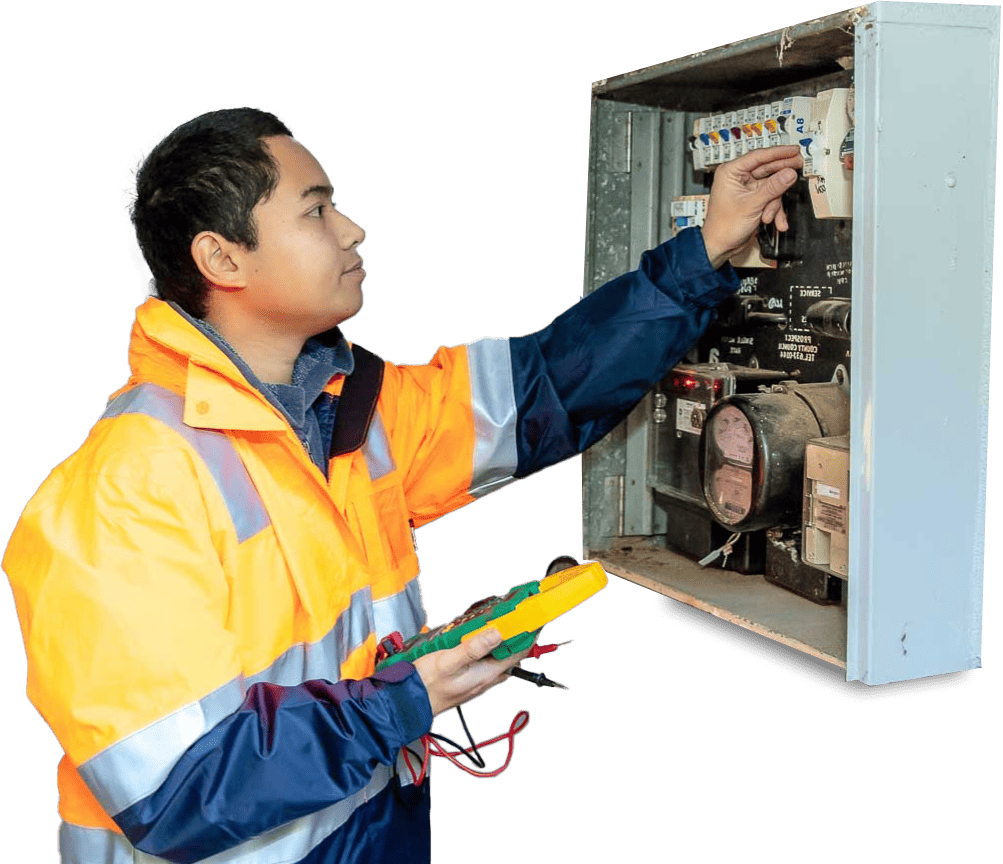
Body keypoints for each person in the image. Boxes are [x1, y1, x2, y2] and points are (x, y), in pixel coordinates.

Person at [2, 107, 801, 864]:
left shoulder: (341, 410)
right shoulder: (120, 491)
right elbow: (175, 789)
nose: (352, 230)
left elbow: (544, 389)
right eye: (314, 211)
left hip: (374, 828)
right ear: (222, 259)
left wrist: (704, 252)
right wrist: (402, 700)